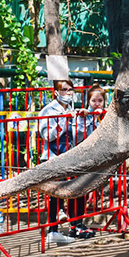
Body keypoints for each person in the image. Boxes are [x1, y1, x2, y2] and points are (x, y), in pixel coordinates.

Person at [38, 79, 94, 243]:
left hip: (69, 157)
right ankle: (53, 230)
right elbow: (47, 135)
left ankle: (75, 225)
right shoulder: (48, 110)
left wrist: (83, 118)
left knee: (75, 190)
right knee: (56, 194)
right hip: (52, 157)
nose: (68, 93)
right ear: (56, 92)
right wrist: (63, 119)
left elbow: (77, 135)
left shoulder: (70, 109)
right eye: (64, 90)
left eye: (71, 90)